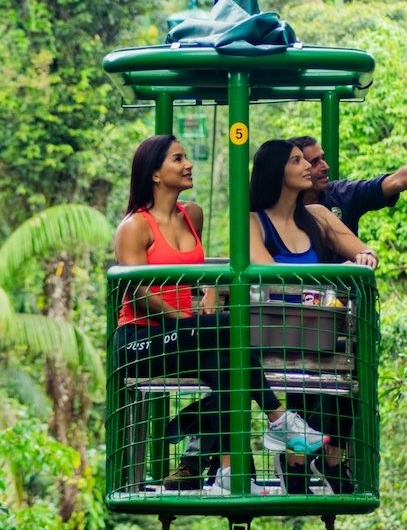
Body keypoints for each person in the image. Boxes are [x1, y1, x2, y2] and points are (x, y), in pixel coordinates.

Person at [112, 135, 326, 496]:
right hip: (143, 339)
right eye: (178, 159)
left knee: (229, 362)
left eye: (186, 157)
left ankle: (228, 473)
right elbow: (137, 291)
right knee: (229, 328)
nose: (188, 164)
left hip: (185, 336)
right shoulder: (134, 227)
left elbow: (199, 268)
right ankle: (278, 418)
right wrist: (188, 323)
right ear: (154, 174)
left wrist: (210, 290)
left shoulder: (191, 215)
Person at [248, 139, 377, 494]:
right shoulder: (254, 223)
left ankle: (315, 457)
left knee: (354, 364)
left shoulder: (319, 216)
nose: (308, 166)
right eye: (297, 161)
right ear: (277, 172)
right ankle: (313, 457)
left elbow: (361, 250)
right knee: (329, 370)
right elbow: (266, 272)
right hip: (276, 328)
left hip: (318, 327)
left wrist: (363, 259)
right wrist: (325, 280)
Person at [289, 132, 407, 235]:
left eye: (323, 158)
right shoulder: (276, 209)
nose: (325, 166)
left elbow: (398, 180)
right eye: (315, 163)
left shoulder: (342, 194)